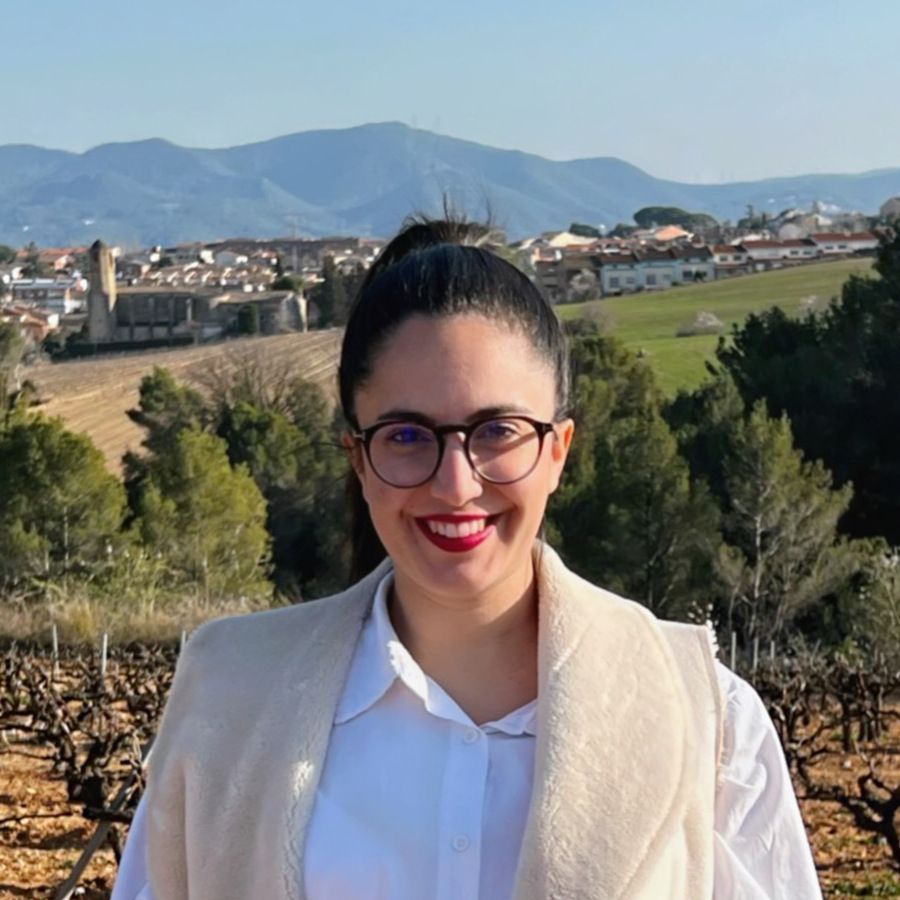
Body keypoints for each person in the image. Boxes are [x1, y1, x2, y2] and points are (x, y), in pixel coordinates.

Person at [112, 217, 822, 900]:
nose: (456, 484)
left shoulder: (709, 724)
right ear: (358, 459)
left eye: (497, 431)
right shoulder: (228, 698)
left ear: (557, 451)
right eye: (406, 435)